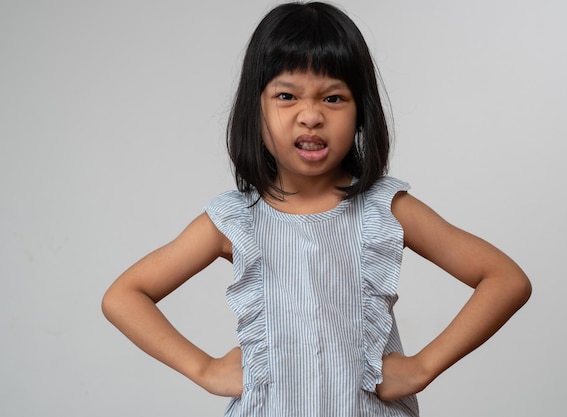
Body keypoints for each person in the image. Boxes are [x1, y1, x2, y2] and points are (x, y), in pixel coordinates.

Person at [101, 2, 532, 416]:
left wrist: (422, 368)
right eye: (287, 96)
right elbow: (123, 297)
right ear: (256, 109)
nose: (310, 116)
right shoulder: (237, 220)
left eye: (333, 98)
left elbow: (505, 279)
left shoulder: (386, 209)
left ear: (362, 111)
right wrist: (205, 370)